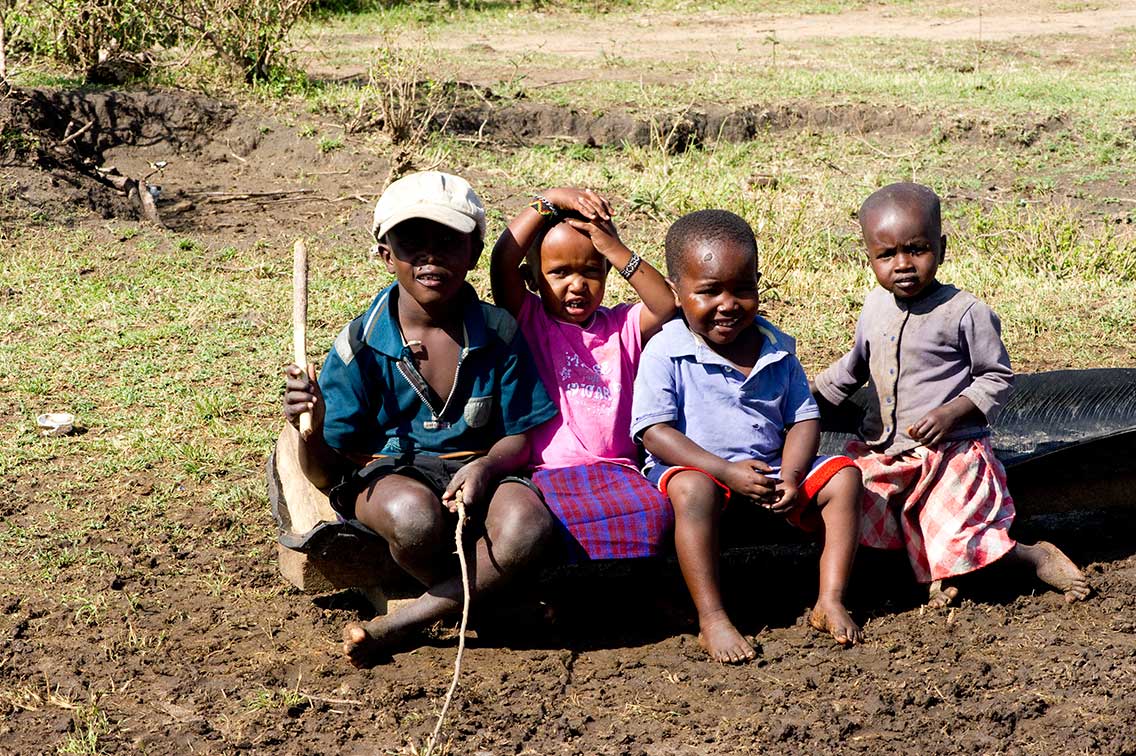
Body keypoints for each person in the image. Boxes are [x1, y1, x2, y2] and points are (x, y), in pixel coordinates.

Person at [283, 171, 559, 667]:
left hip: (481, 468)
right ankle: (485, 606)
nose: (431, 256)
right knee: (413, 519)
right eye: (411, 242)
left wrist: (485, 468)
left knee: (528, 525)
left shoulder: (499, 333)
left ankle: (407, 620)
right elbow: (328, 473)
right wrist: (315, 425)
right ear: (386, 254)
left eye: (449, 241)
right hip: (388, 477)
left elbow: (519, 436)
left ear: (474, 252)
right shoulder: (360, 347)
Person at [812, 181, 1091, 608]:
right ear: (868, 257)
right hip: (890, 452)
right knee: (857, 504)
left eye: (917, 249)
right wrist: (804, 402)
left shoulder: (964, 313)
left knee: (959, 529)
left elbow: (996, 377)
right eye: (887, 255)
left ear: (941, 247)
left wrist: (951, 413)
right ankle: (937, 576)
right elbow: (851, 370)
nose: (903, 265)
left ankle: (1030, 556)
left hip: (952, 452)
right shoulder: (874, 308)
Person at [631, 209, 864, 664]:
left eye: (742, 289)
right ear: (677, 293)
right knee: (692, 489)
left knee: (846, 479)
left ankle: (830, 598)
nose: (728, 304)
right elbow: (654, 433)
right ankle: (712, 617)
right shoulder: (667, 349)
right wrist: (723, 470)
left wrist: (794, 476)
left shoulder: (777, 347)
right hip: (698, 468)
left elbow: (803, 419)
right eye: (709, 291)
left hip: (770, 469)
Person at [490, 188, 677, 560]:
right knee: (555, 527)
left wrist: (615, 248)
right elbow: (502, 260)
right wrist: (550, 200)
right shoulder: (529, 320)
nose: (577, 284)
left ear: (608, 270)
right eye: (559, 273)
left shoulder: (622, 325)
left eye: (591, 270)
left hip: (621, 472)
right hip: (549, 472)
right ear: (531, 279)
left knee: (655, 515)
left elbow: (666, 303)